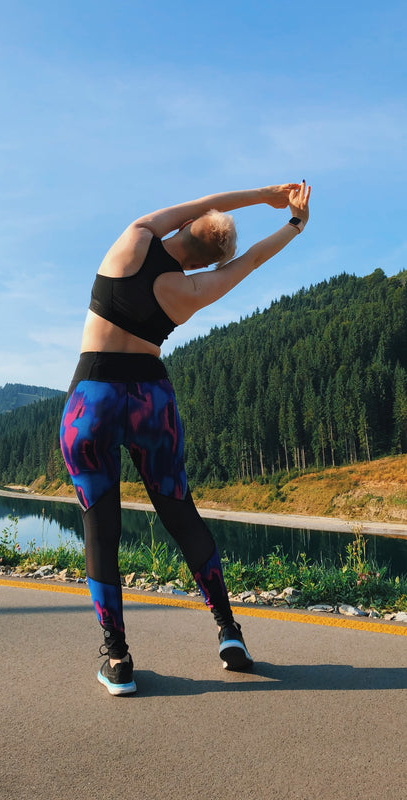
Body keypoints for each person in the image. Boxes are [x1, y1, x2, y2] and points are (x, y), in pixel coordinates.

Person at [60, 180, 311, 695]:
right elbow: (252, 263)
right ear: (204, 262)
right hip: (151, 400)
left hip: (94, 398)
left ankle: (118, 658)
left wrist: (265, 194)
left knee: (101, 527)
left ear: (184, 229)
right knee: (180, 514)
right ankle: (228, 633)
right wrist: (294, 223)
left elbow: (197, 207)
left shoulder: (132, 239)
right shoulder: (192, 290)